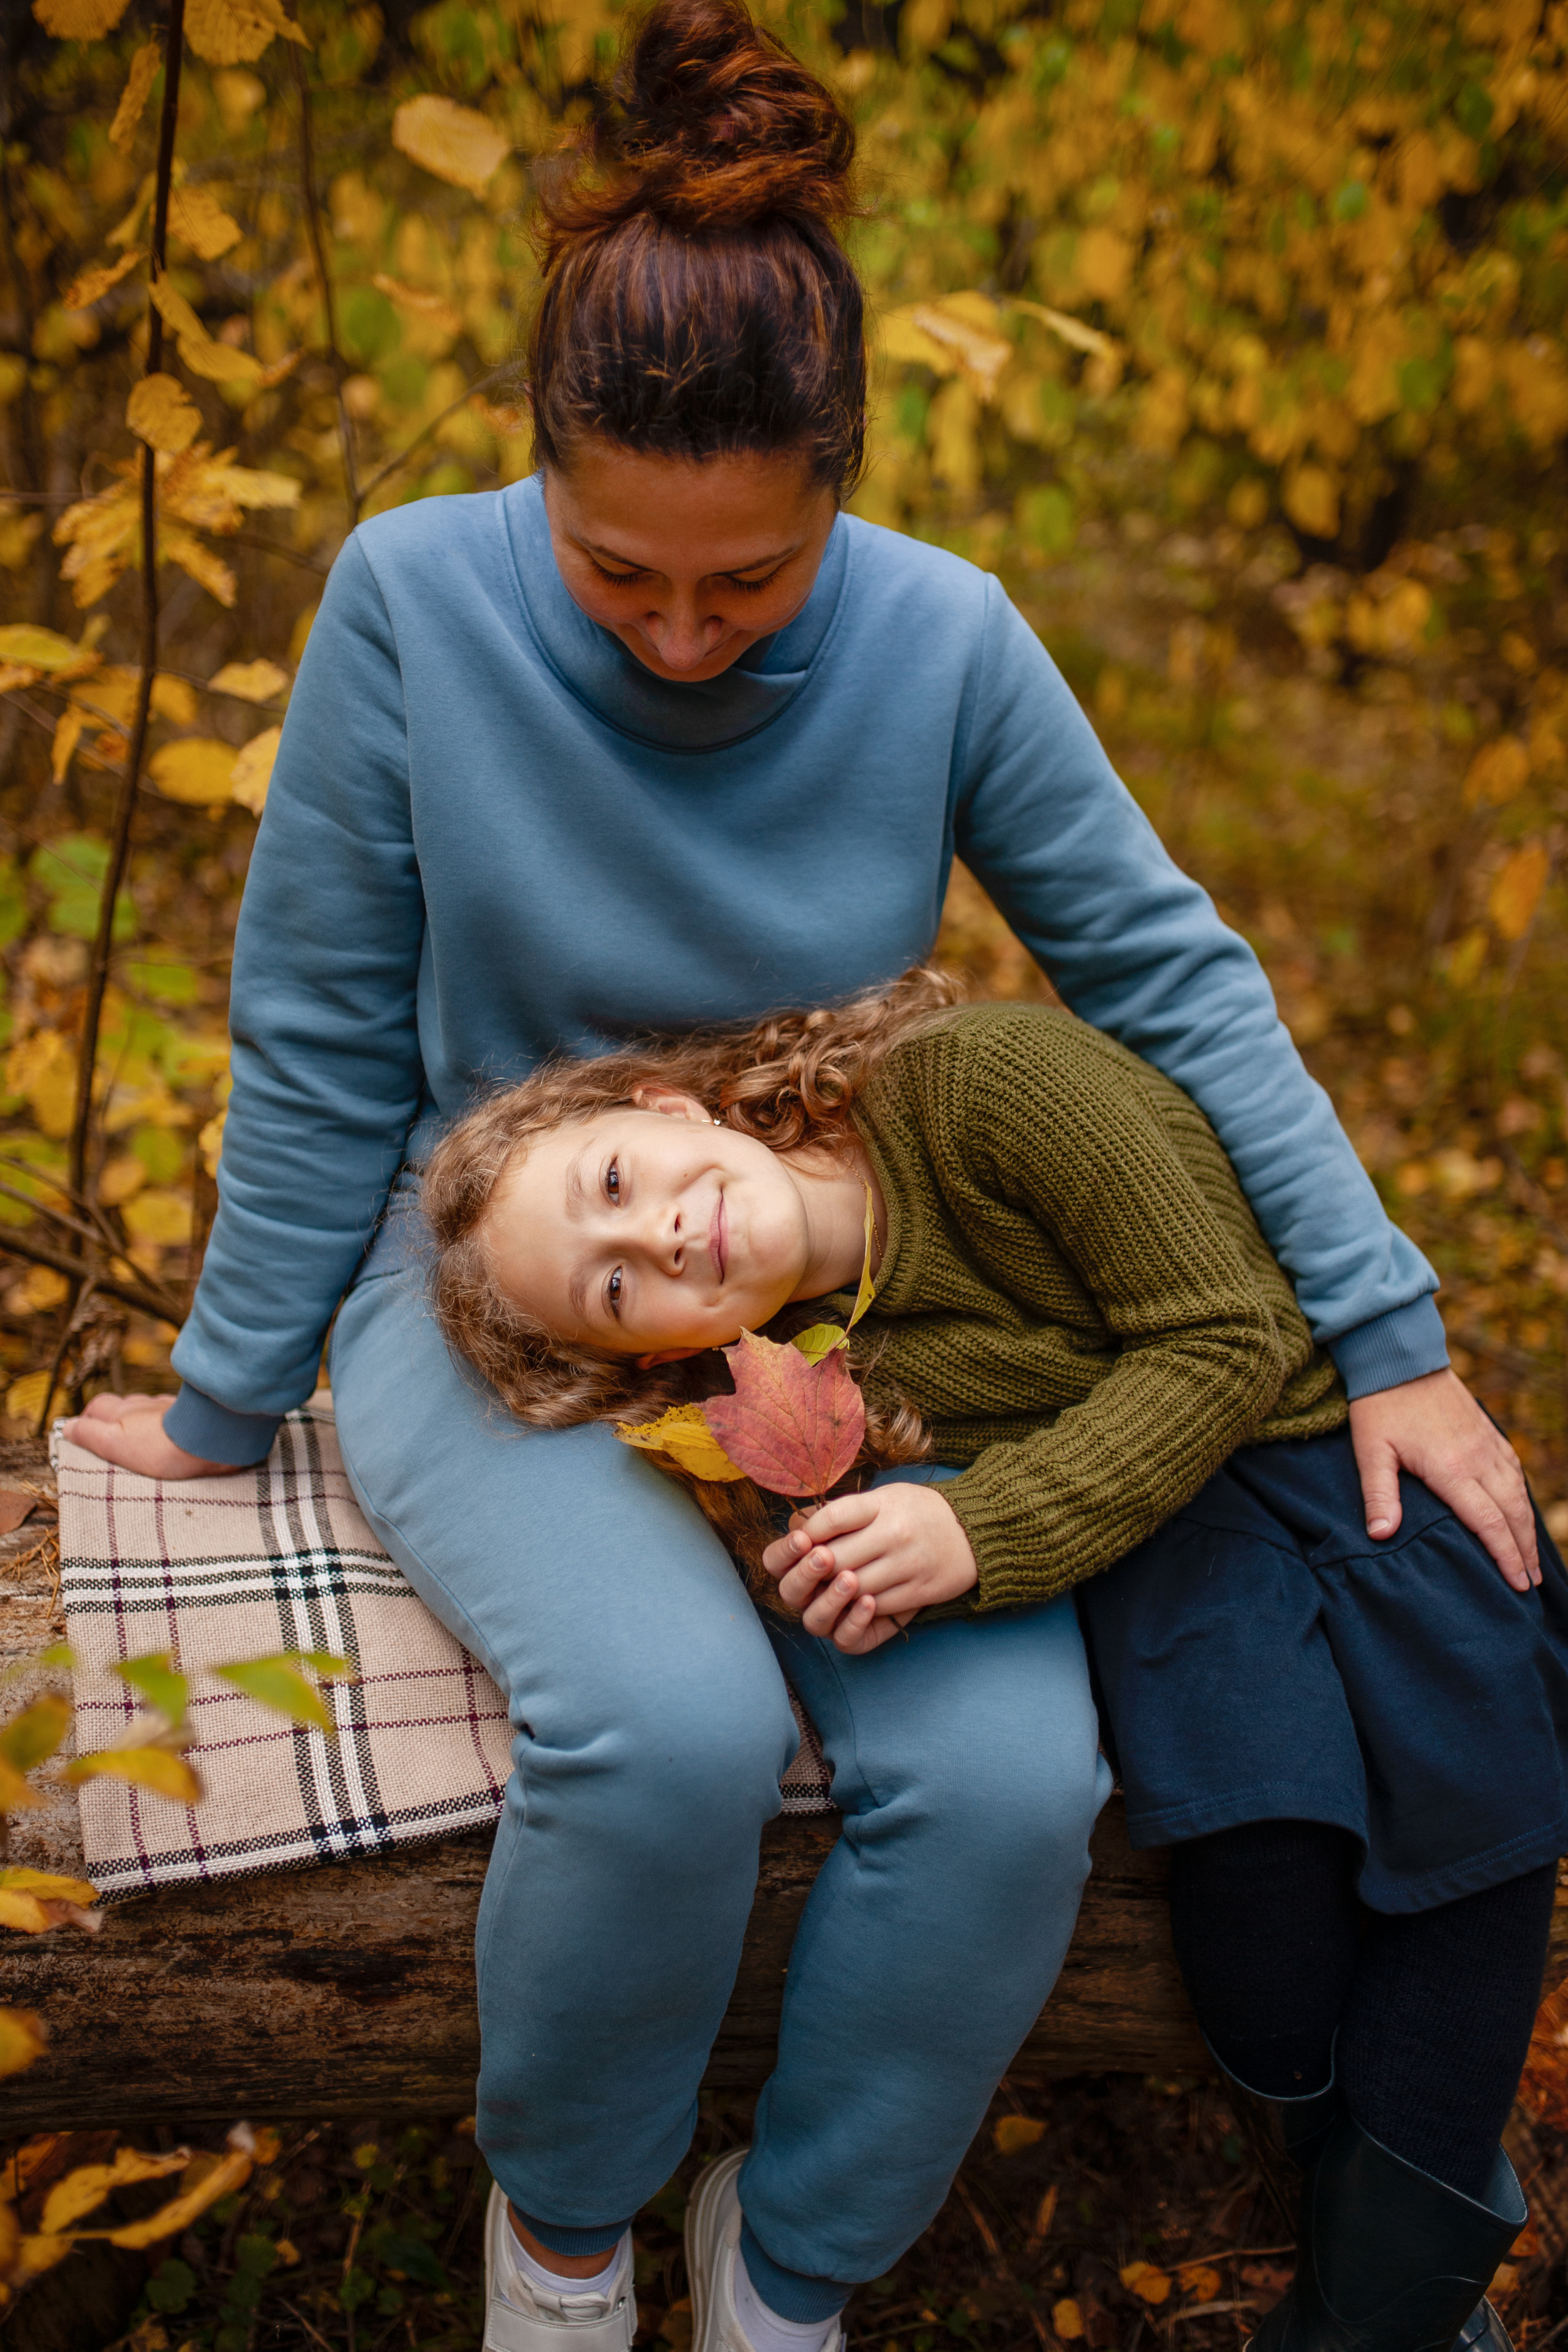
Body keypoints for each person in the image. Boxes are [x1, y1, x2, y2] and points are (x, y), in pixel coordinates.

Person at [60, 2, 1540, 2348]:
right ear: (543, 470)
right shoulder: (410, 603)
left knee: (1011, 1780)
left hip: (875, 1336)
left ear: (838, 485)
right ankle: (560, 2235)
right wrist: (235, 1399)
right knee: (668, 1724)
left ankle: (796, 2265)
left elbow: (1170, 971)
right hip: (502, 1310)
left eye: (738, 587)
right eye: (617, 572)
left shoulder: (944, 641)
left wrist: (1390, 1335)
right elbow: (326, 1028)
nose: (672, 628)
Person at [419, 970, 1567, 2352]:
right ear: (640, 1356)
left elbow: (1232, 1336)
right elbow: (943, 1526)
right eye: (612, 1287)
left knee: (1468, 1858)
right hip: (1180, 1555)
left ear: (668, 1103)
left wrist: (975, 1527)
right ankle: (1372, 2248)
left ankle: (1379, 2316)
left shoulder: (981, 1087)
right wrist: (860, 1571)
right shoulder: (787, 1370)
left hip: (1341, 1475)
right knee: (1259, 1934)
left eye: (616, 1177)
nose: (654, 1239)